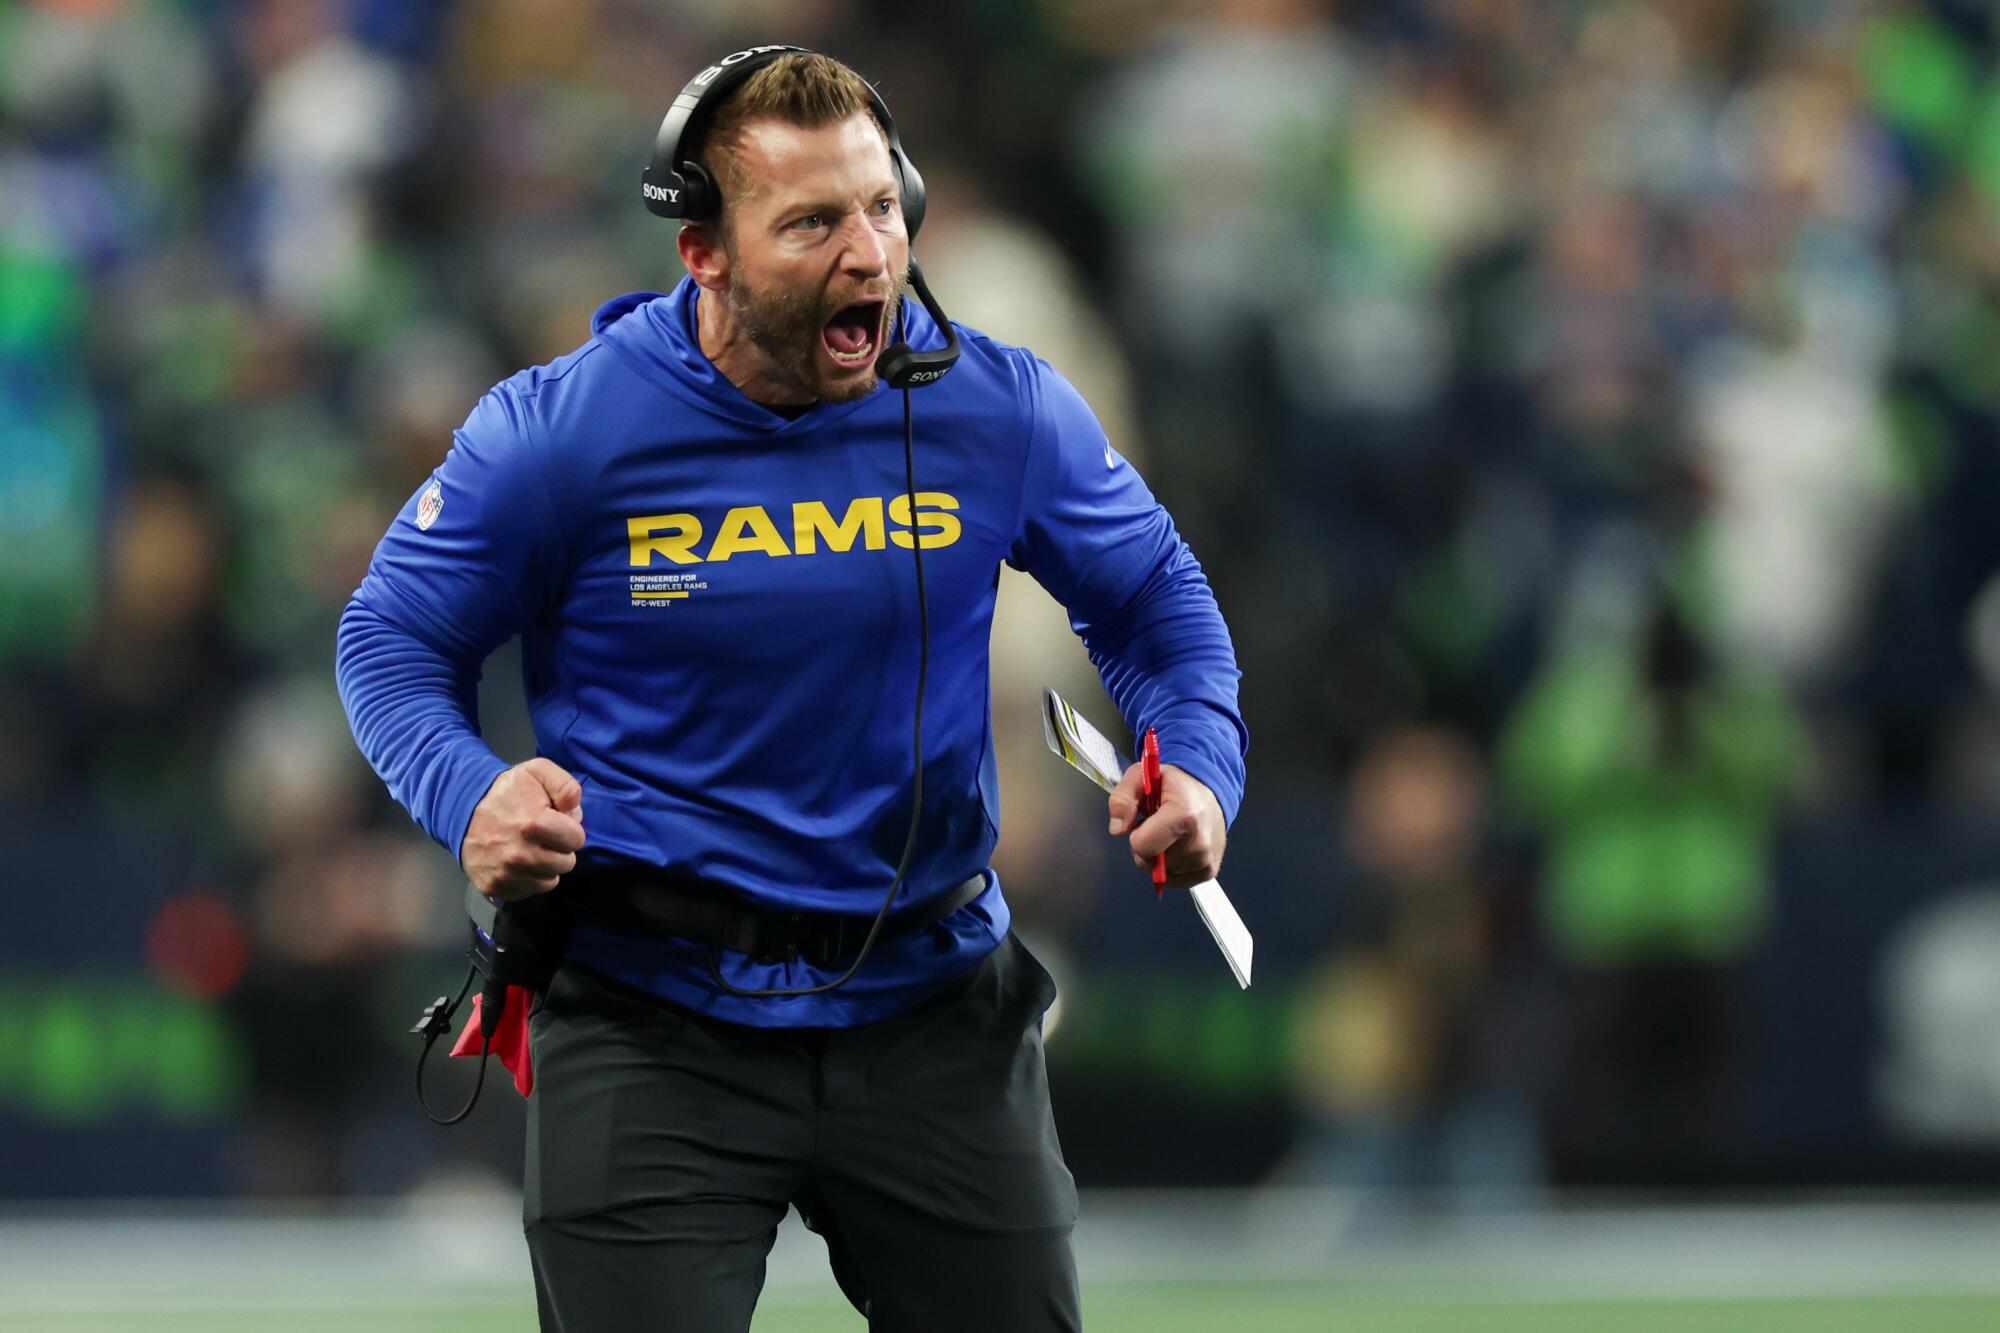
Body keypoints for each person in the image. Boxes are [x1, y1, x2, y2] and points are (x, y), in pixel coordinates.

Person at [335, 47, 1246, 1332]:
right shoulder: (562, 432)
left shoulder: (991, 404)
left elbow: (1153, 600)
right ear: (703, 252)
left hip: (931, 998)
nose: (870, 255)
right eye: (812, 222)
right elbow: (388, 641)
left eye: (881, 207)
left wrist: (1197, 761)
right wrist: (467, 793)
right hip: (651, 1015)